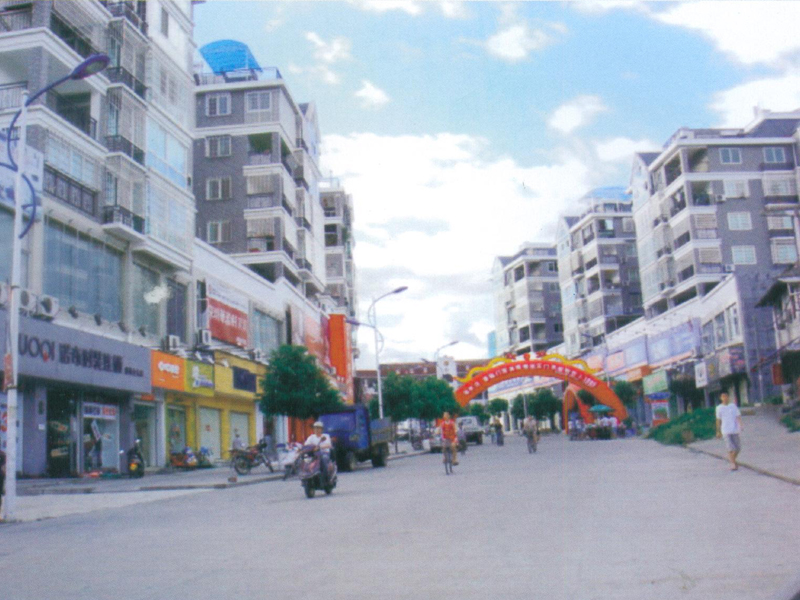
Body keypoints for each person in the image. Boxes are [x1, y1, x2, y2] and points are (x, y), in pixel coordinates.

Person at [715, 392, 743, 471]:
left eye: (726, 396)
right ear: (721, 398)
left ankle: (733, 460)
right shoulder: (719, 408)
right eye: (723, 396)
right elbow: (718, 420)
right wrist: (718, 431)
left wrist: (740, 424)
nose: (725, 398)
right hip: (725, 430)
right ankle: (733, 464)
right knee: (731, 448)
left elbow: (738, 416)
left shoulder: (733, 406)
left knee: (738, 448)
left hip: (734, 429)